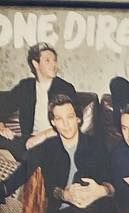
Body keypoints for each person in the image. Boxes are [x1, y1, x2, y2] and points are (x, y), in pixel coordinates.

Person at [16, 93, 117, 213]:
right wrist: (65, 195)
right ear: (53, 122)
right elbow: (50, 188)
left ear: (78, 118)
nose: (66, 124)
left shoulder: (96, 145)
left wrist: (102, 190)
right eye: (59, 119)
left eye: (70, 117)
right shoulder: (49, 148)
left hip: (95, 207)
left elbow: (114, 180)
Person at [0, 43, 78, 203]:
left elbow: (76, 121)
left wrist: (42, 136)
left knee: (40, 149)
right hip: (27, 140)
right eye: (48, 60)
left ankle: (5, 188)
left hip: (55, 142)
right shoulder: (25, 87)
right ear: (36, 64)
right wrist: (1, 125)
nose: (54, 64)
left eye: (54, 60)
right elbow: (3, 105)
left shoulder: (65, 88)